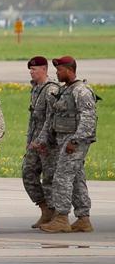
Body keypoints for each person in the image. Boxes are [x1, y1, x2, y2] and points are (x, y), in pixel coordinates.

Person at [36, 56, 99, 234]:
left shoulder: (81, 91)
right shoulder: (65, 90)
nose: (57, 73)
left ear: (70, 70)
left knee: (61, 177)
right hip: (63, 140)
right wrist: (42, 140)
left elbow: (88, 119)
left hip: (75, 141)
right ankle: (83, 219)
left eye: (60, 70)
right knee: (77, 178)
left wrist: (75, 141)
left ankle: (62, 218)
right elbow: (52, 118)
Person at [22, 56, 60, 229]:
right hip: (35, 141)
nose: (31, 72)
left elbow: (51, 119)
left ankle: (55, 214)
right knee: (28, 172)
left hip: (49, 143)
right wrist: (30, 140)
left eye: (34, 69)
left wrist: (42, 140)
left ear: (44, 69)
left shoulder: (51, 89)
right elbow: (33, 119)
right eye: (30, 69)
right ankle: (45, 209)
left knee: (50, 178)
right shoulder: (36, 89)